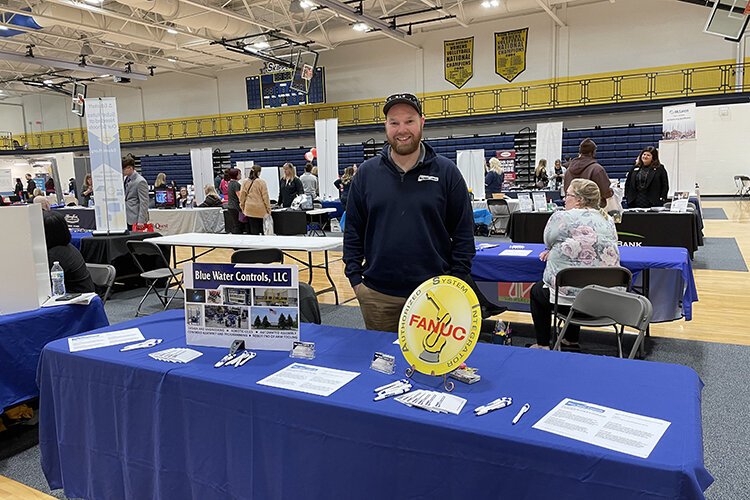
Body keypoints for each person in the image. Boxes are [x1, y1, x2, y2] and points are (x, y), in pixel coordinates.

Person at [343, 92, 475, 333]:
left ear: (422, 122)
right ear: (386, 126)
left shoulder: (447, 172)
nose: (401, 129)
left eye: (409, 121)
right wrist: (356, 281)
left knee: (431, 366)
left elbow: (464, 233)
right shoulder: (366, 174)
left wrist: (455, 283)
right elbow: (353, 230)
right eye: (394, 122)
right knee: (382, 367)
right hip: (378, 297)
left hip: (435, 295)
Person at [528, 179, 620, 350]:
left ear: (579, 199)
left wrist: (553, 248)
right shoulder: (608, 220)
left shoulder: (561, 217)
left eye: (568, 195)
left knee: (539, 291)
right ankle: (570, 339)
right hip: (604, 298)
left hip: (565, 299)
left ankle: (542, 344)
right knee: (579, 280)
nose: (564, 199)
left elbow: (548, 240)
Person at [42, 211, 95, 293]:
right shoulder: (66, 247)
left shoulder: (56, 254)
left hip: (76, 300)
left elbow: (43, 282)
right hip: (76, 294)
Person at [563, 138, 613, 207]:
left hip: (573, 210)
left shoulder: (568, 170)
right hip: (592, 211)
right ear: (593, 152)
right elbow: (606, 193)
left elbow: (566, 191)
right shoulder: (597, 169)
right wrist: (612, 191)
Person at [239, 165, 271, 235]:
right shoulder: (262, 182)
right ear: (258, 172)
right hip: (260, 209)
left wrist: (242, 207)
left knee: (252, 229)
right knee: (262, 228)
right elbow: (265, 197)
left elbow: (242, 196)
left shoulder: (245, 182)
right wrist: (268, 208)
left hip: (249, 208)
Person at [122, 155, 150, 227]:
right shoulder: (126, 179)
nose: (122, 171)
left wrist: (141, 220)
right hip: (126, 217)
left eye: (124, 169)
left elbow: (144, 202)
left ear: (130, 168)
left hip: (135, 219)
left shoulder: (140, 181)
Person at [226, 168, 243, 233]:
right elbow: (239, 196)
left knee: (235, 224)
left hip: (230, 206)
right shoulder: (236, 184)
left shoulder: (230, 183)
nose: (240, 175)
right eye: (239, 174)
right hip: (235, 207)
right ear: (236, 175)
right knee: (238, 225)